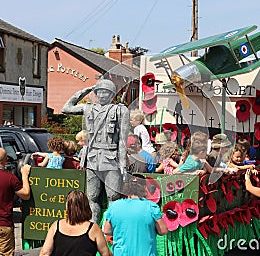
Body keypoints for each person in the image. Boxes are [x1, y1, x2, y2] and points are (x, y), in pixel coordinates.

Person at [62, 79, 130, 222]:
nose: (102, 95)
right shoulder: (88, 108)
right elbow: (66, 108)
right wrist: (86, 90)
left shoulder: (120, 110)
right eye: (99, 91)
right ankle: (93, 228)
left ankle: (111, 229)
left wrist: (123, 163)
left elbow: (123, 140)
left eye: (106, 92)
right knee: (92, 196)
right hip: (93, 159)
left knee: (113, 197)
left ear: (112, 94)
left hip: (111, 159)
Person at [103, 177, 168, 256]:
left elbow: (106, 230)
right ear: (144, 189)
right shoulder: (151, 207)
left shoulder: (114, 206)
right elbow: (163, 230)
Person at [40, 190, 111, 256]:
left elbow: (45, 253)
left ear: (68, 207)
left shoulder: (56, 226)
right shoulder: (93, 228)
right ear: (86, 206)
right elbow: (106, 253)